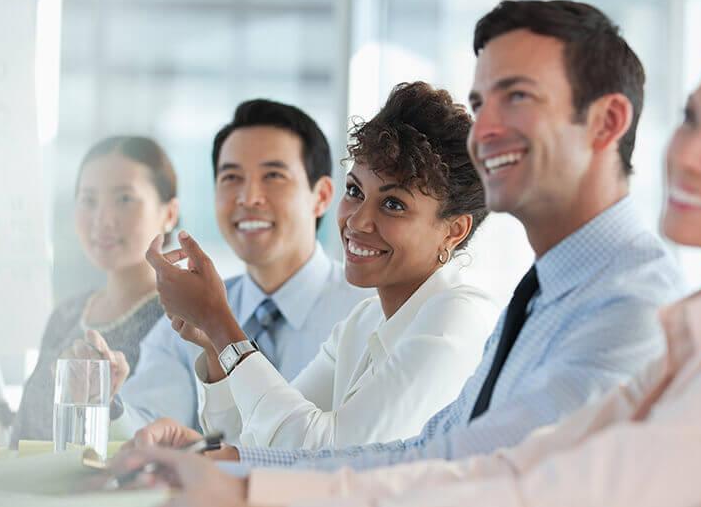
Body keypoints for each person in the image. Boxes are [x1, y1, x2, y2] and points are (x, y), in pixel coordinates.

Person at [127, 22, 701, 507]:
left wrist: (247, 474)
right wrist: (240, 471)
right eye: (693, 119)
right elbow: (464, 457)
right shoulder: (683, 326)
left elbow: (536, 489)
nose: (687, 154)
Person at [144, 81, 498, 450]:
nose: (357, 221)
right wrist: (215, 345)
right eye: (355, 192)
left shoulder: (457, 319)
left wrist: (221, 324)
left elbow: (327, 454)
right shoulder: (363, 322)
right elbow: (261, 445)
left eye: (393, 204)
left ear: (454, 230)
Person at [110, 100, 373, 436]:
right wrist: (109, 402)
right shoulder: (185, 319)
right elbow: (151, 430)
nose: (248, 198)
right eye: (231, 177)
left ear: (321, 196)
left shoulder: (365, 311)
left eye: (273, 176)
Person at [10, 136, 179, 445]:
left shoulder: (180, 320)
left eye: (124, 199)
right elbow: (20, 439)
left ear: (169, 214)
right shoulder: (66, 314)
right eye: (89, 200)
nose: (102, 219)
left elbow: (169, 444)